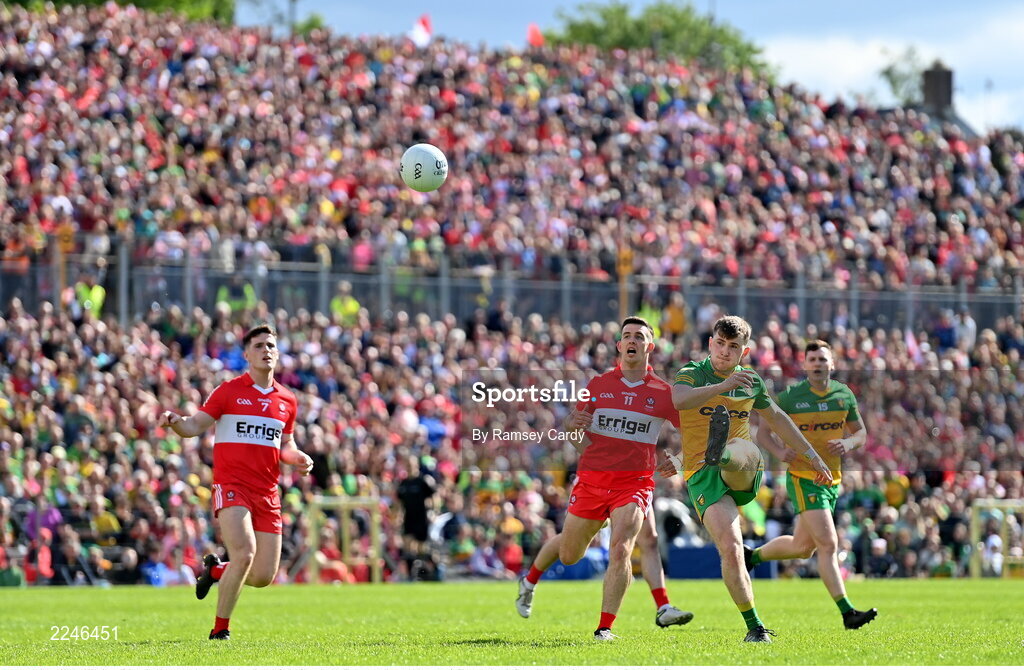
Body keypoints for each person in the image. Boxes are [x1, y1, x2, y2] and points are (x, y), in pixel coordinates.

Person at [515, 317, 693, 641]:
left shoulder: (663, 393)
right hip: (593, 481)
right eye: (627, 336)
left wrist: (679, 460)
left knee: (622, 548)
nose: (632, 341)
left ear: (649, 347)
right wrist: (571, 428)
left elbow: (693, 433)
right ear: (619, 345)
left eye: (639, 336)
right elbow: (578, 437)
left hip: (634, 484)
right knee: (570, 554)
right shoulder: (598, 385)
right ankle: (529, 581)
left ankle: (605, 628)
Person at [658, 315, 832, 644]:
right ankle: (755, 627)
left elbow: (778, 419)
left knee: (737, 447)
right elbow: (679, 401)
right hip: (701, 476)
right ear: (711, 343)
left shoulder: (751, 381)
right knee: (732, 548)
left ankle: (722, 451)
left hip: (744, 466)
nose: (725, 351)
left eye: (733, 346)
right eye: (720, 344)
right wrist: (723, 387)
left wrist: (812, 456)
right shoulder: (692, 373)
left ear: (745, 351)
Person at [158, 324, 313, 640]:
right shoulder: (228, 391)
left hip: (268, 492)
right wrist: (176, 423)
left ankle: (215, 570)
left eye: (270, 345)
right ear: (246, 354)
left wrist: (298, 458)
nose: (266, 350)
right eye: (258, 346)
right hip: (232, 485)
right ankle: (220, 631)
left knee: (262, 576)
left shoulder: (287, 400)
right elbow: (195, 425)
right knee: (244, 553)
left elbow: (286, 445)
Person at [745, 340, 878, 629]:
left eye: (823, 359)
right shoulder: (792, 396)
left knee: (803, 547)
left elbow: (861, 433)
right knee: (829, 544)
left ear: (832, 364)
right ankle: (847, 613)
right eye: (813, 359)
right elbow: (764, 432)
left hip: (832, 480)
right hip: (804, 479)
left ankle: (751, 556)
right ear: (805, 365)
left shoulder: (844, 395)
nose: (817, 364)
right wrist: (781, 453)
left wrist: (847, 442)